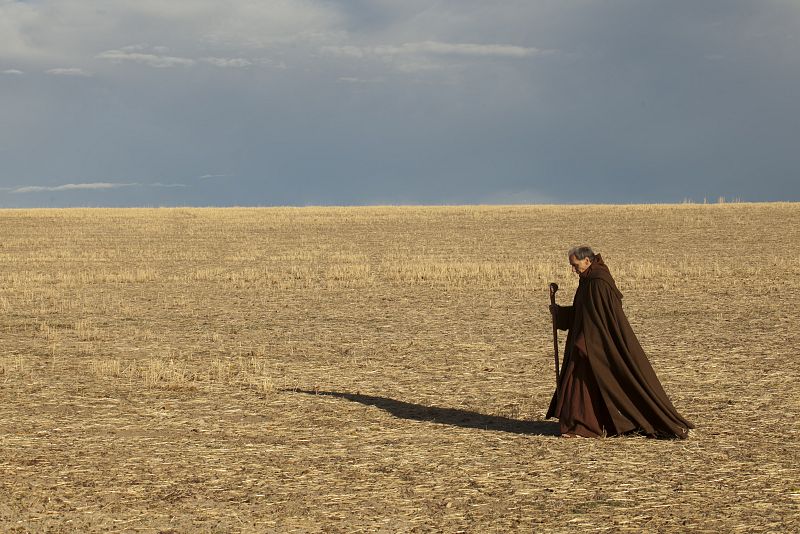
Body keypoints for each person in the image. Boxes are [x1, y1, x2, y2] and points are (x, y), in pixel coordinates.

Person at [546, 246, 693, 439]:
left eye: (575, 265)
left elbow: (601, 320)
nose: (573, 270)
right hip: (587, 343)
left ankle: (584, 427)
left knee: (585, 383)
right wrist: (561, 313)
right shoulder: (587, 280)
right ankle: (580, 425)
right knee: (581, 384)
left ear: (587, 261)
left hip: (595, 344)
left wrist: (586, 342)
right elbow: (583, 313)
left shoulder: (598, 283)